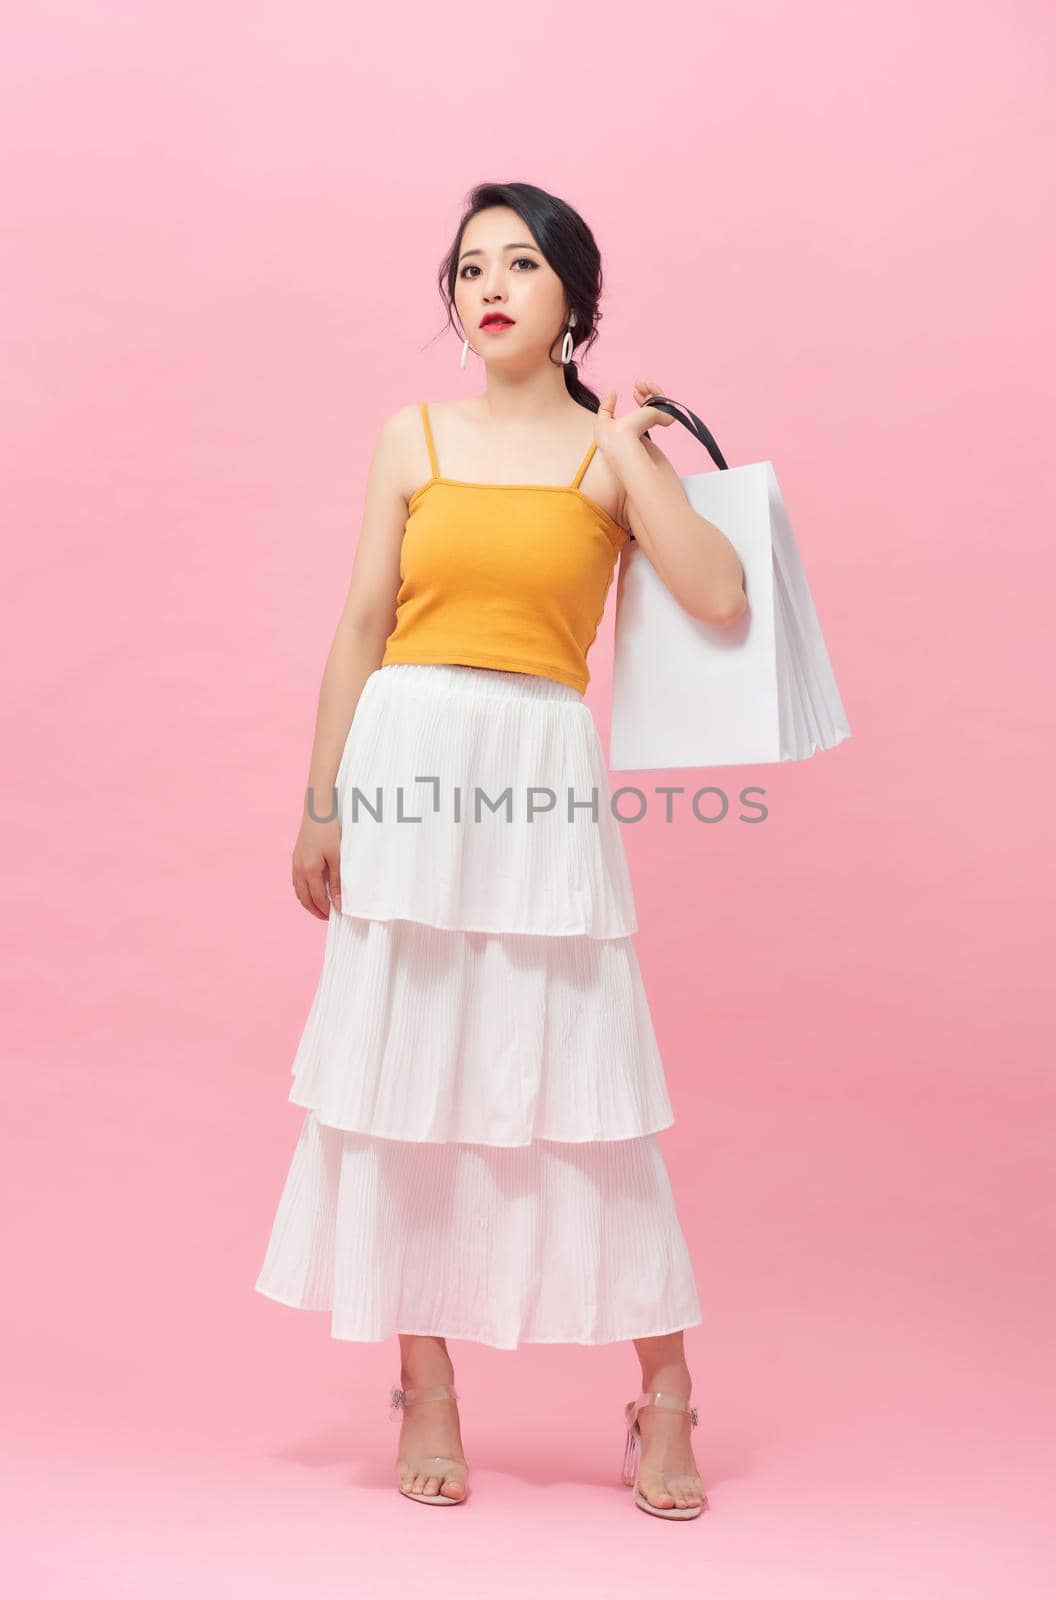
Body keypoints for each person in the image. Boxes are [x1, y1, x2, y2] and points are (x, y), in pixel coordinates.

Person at [253, 180, 748, 1520]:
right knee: (409, 1073)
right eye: (470, 266)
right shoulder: (410, 439)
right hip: (406, 756)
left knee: (583, 1088)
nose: (490, 287)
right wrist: (321, 802)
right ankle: (425, 1383)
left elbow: (717, 594)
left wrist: (641, 453)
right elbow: (362, 625)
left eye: (521, 263)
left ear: (574, 299)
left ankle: (662, 1394)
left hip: (537, 766)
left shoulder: (605, 456)